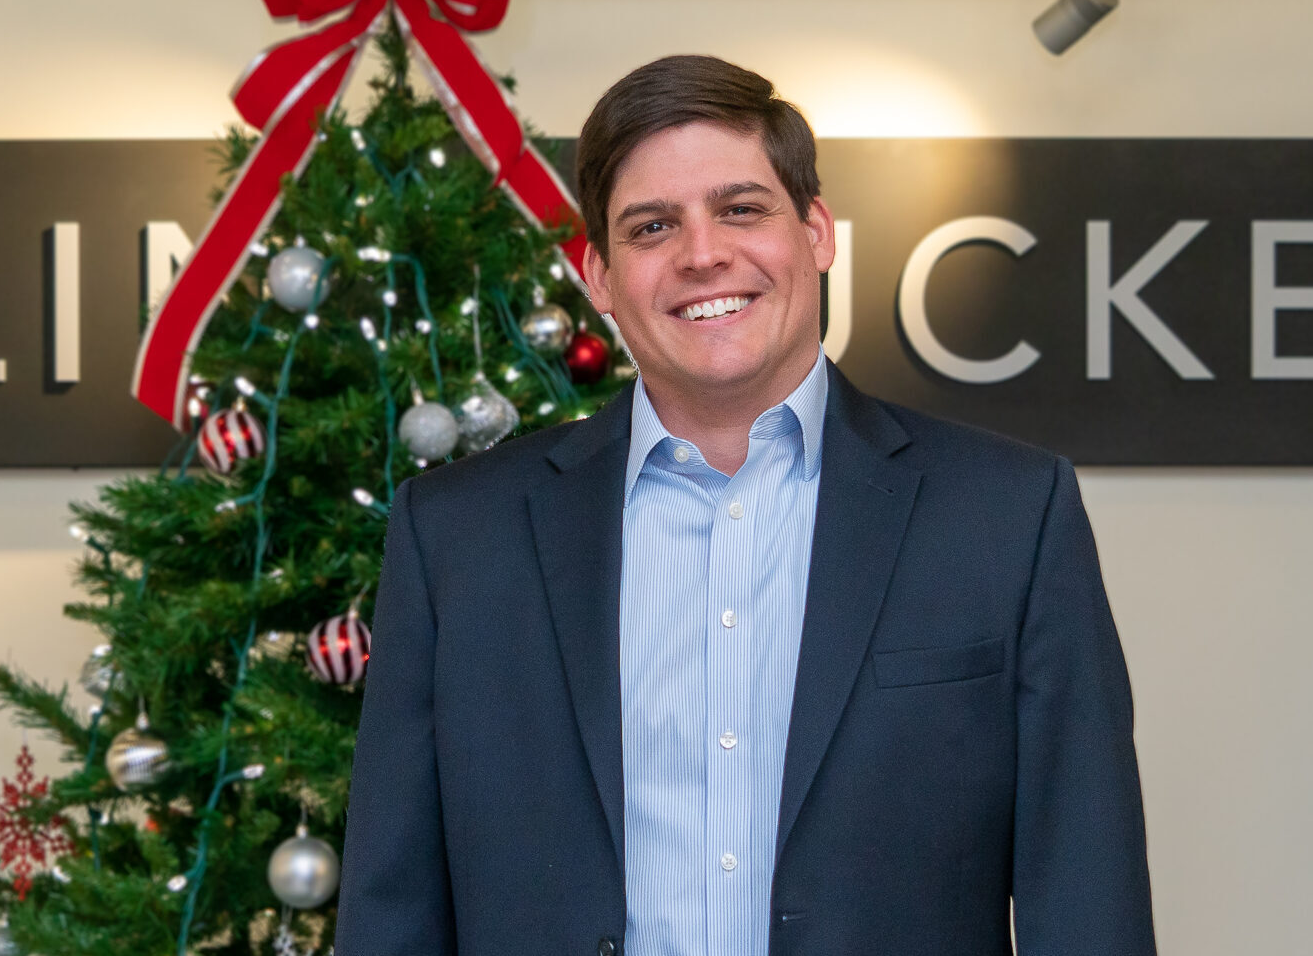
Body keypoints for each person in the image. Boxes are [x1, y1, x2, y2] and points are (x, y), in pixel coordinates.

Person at [335, 55, 1157, 956]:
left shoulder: (1009, 515)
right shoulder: (455, 536)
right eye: (651, 226)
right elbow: (392, 908)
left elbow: (1085, 894)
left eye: (740, 208)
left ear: (815, 231)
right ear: (599, 276)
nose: (702, 254)